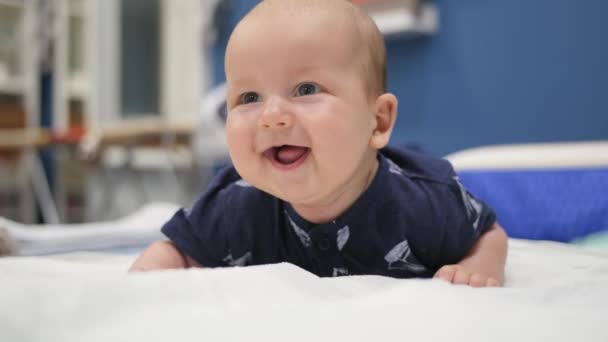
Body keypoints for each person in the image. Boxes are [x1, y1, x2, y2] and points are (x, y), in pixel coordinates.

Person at [130, 0, 508, 287]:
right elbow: (177, 251)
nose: (271, 115)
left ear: (378, 121)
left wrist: (479, 266)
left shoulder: (425, 202)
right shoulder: (233, 207)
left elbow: (488, 234)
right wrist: (152, 273)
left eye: (306, 89)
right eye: (248, 97)